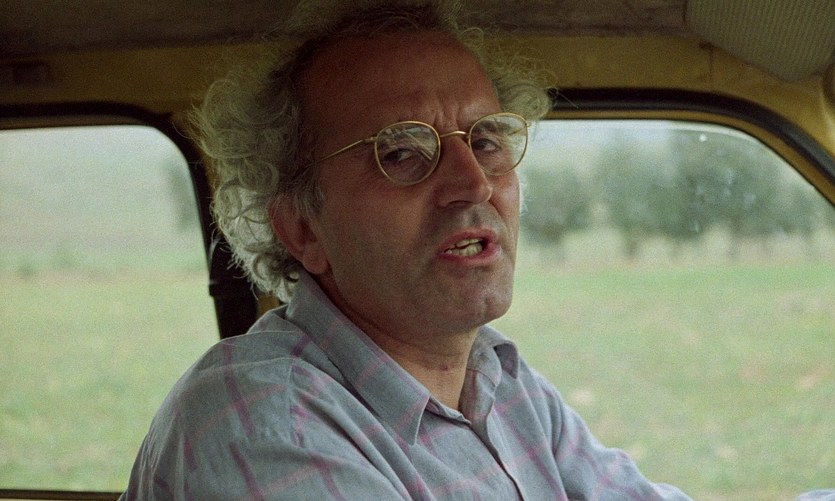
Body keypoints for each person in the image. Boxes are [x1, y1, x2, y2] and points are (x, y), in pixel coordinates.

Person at [122, 1, 692, 499]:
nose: (474, 184)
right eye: (400, 153)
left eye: (486, 141)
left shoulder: (501, 382)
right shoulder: (265, 422)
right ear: (302, 229)